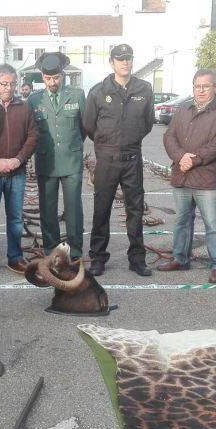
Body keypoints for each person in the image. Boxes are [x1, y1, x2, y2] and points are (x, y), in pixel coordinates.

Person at [159, 69, 216, 284]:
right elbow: (169, 137)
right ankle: (180, 259)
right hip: (182, 175)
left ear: (215, 87)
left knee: (213, 225)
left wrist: (193, 159)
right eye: (197, 86)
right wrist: (180, 156)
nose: (201, 90)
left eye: (206, 86)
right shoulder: (183, 109)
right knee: (182, 221)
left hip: (208, 178)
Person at [83, 43, 154, 277]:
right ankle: (98, 258)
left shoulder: (144, 89)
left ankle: (137, 259)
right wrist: (108, 144)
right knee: (101, 210)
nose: (126, 62)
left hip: (132, 158)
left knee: (135, 210)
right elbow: (89, 125)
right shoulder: (98, 91)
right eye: (120, 58)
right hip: (107, 158)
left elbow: (147, 123)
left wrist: (130, 141)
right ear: (112, 62)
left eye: (129, 58)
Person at [0, 64, 38, 276]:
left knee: (16, 218)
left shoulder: (24, 106)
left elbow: (33, 136)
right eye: (4, 84)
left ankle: (15, 257)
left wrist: (18, 159)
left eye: (12, 84)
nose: (8, 88)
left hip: (16, 173)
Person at [28, 52, 86, 260]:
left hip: (71, 161)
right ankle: (51, 251)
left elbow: (84, 127)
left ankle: (76, 251)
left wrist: (73, 146)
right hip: (46, 162)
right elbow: (32, 131)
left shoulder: (77, 95)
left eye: (56, 78)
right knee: (47, 209)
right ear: (42, 77)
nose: (52, 82)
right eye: (48, 78)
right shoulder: (34, 100)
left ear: (62, 75)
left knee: (73, 209)